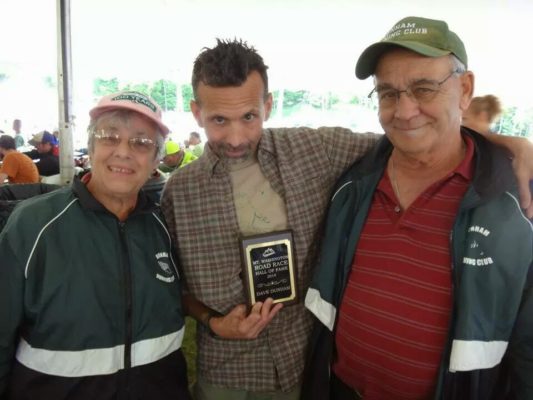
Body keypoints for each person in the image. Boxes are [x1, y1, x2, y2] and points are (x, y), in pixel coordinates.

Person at [160, 38, 533, 400]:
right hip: (226, 371)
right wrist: (211, 321)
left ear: (269, 105)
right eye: (219, 120)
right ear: (196, 112)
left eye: (249, 117)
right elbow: (172, 288)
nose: (236, 136)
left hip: (300, 366)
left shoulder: (313, 150)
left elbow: (407, 133)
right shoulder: (177, 193)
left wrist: (505, 143)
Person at [303, 16, 533, 400]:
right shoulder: (351, 185)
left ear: (465, 89)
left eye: (424, 89)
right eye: (388, 93)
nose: (404, 111)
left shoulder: (516, 202)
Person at [0, 90, 191, 399]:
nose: (124, 152)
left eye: (141, 142)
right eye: (109, 137)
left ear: (156, 159)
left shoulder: (164, 226)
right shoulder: (34, 225)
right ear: (89, 148)